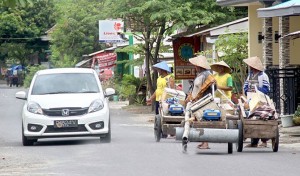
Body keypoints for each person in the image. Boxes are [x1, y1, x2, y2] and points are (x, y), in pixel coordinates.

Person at [183, 55, 214, 150]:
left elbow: (212, 87)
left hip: (204, 101)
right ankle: (203, 141)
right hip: (197, 101)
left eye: (195, 65)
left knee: (203, 120)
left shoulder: (207, 75)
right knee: (199, 120)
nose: (195, 67)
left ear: (199, 66)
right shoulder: (200, 74)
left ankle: (205, 143)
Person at [243, 56, 270, 148]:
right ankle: (254, 142)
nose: (250, 67)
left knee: (260, 118)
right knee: (251, 118)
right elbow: (246, 86)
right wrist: (247, 90)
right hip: (251, 100)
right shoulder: (250, 75)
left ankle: (264, 141)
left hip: (261, 100)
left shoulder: (263, 76)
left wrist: (256, 89)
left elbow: (266, 89)